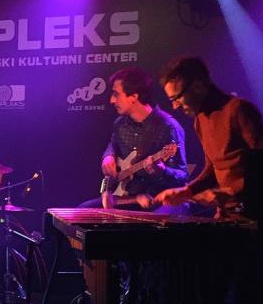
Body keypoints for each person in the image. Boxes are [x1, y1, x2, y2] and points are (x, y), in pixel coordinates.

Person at [147, 56, 263, 304]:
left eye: (178, 97)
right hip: (225, 223)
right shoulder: (200, 119)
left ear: (200, 84)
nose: (176, 105)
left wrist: (227, 193)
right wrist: (187, 191)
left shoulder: (239, 110)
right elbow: (213, 168)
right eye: (172, 100)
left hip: (256, 224)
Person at [80, 67, 187, 210]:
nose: (111, 100)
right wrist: (108, 156)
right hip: (124, 197)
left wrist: (162, 171)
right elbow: (113, 144)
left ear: (134, 97)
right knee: (80, 211)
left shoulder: (168, 127)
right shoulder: (120, 124)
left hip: (154, 201)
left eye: (116, 94)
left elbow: (182, 176)